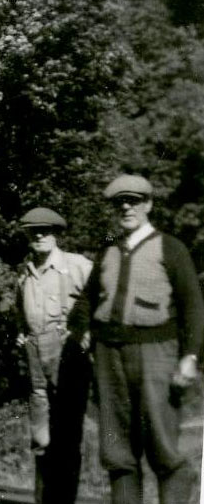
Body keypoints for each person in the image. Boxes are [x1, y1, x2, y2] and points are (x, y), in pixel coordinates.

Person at [70, 174, 203, 504]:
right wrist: (82, 328)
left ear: (148, 205)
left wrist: (190, 356)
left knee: (163, 446)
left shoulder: (170, 247)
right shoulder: (108, 249)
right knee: (117, 452)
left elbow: (193, 305)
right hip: (108, 358)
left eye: (134, 201)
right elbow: (86, 300)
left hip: (156, 354)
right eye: (120, 202)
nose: (126, 207)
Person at [14, 207, 93, 504]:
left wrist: (86, 338)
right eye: (33, 231)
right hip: (35, 354)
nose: (39, 236)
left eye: (45, 230)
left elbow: (101, 300)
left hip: (68, 354)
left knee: (68, 434)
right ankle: (44, 499)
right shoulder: (25, 272)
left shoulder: (77, 266)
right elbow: (19, 313)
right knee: (41, 435)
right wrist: (21, 333)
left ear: (57, 233)